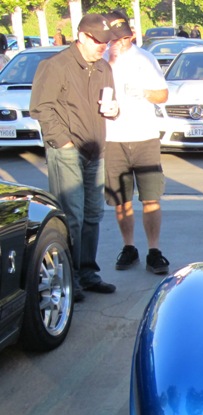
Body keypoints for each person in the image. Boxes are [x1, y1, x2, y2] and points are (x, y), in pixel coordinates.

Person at [30, 13, 120, 301]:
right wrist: (64, 142)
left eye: (106, 42)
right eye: (98, 41)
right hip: (67, 150)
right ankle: (70, 278)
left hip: (95, 149)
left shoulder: (103, 67)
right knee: (72, 217)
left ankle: (88, 272)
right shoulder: (56, 65)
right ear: (81, 36)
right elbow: (41, 108)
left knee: (93, 214)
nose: (103, 46)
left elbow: (110, 102)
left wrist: (114, 110)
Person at [104, 11, 170, 276]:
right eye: (113, 39)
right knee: (121, 200)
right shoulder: (102, 60)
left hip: (144, 136)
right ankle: (128, 247)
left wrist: (143, 92)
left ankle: (154, 250)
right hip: (113, 137)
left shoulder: (145, 58)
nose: (118, 43)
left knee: (151, 198)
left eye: (123, 38)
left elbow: (163, 94)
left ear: (130, 36)